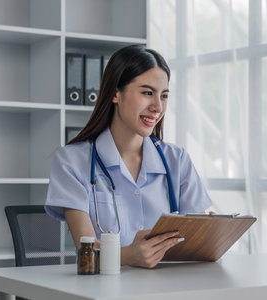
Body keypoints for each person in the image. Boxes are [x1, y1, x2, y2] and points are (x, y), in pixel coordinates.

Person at [45, 45, 212, 268]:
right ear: (116, 93)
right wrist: (128, 256)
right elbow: (87, 251)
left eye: (164, 96)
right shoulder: (71, 161)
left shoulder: (177, 160)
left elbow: (196, 245)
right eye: (147, 93)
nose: (157, 107)